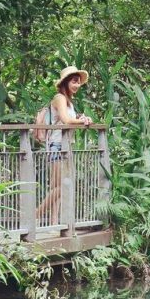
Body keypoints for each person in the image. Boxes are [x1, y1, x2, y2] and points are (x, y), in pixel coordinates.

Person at [36, 66, 93, 224]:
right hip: (57, 145)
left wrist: (82, 117)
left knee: (57, 186)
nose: (77, 85)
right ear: (66, 82)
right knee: (61, 186)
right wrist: (82, 121)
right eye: (74, 82)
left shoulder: (69, 101)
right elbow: (66, 120)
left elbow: (69, 118)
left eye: (79, 82)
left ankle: (54, 222)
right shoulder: (59, 98)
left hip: (64, 145)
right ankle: (36, 214)